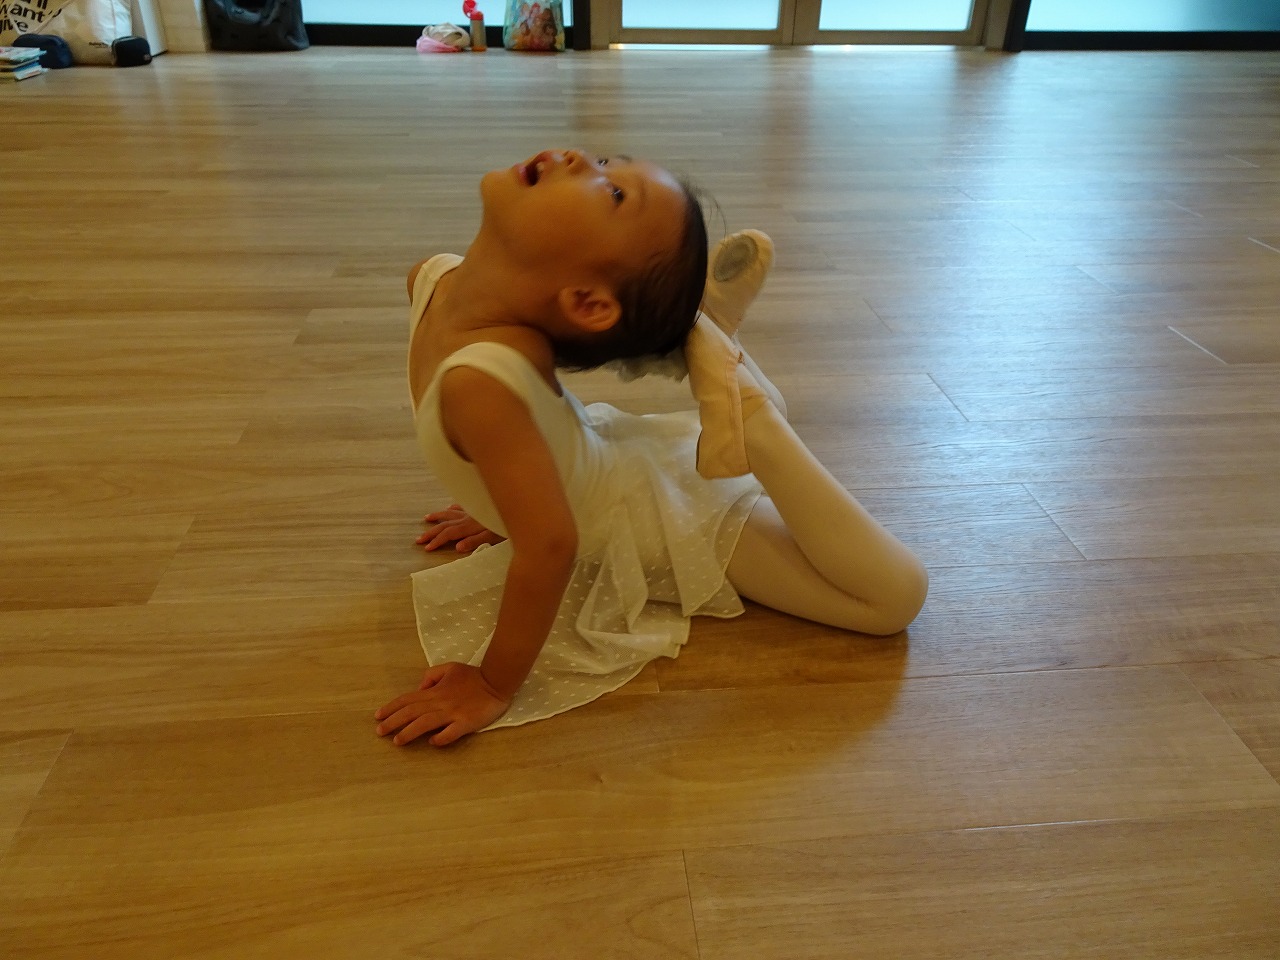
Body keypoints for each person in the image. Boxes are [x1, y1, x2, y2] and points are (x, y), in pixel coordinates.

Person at [374, 148, 928, 748]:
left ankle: (747, 414)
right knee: (883, 594)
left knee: (894, 597)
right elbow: (531, 428)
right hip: (616, 461)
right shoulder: (433, 280)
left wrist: (491, 684)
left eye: (614, 193)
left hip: (657, 521)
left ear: (589, 302)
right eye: (605, 164)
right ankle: (703, 335)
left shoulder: (478, 382)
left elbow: (551, 547)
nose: (578, 157)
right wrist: (508, 496)